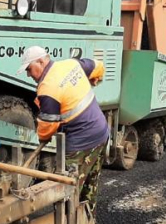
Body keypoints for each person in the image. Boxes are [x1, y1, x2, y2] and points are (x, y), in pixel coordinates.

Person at [18, 46, 109, 210]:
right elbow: (98, 66)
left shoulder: (47, 87)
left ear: (41, 61)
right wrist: (95, 79)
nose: (28, 74)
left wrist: (43, 138)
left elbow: (47, 128)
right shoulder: (70, 64)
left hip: (81, 145)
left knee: (66, 193)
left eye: (29, 69)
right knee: (89, 188)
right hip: (101, 133)